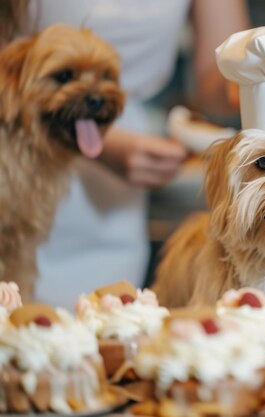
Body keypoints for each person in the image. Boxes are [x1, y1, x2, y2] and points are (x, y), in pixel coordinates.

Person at [21, 0, 249, 308]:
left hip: (115, 198)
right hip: (20, 153)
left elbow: (216, 72)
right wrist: (101, 141)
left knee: (107, 322)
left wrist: (247, 84)